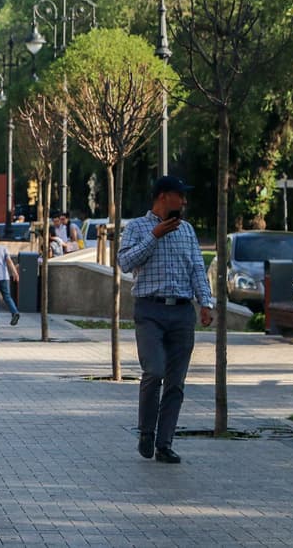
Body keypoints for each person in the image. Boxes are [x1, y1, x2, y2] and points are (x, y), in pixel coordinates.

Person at [118, 176, 214, 465]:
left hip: (182, 313)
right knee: (154, 371)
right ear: (162, 197)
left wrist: (205, 303)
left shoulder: (187, 230)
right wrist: (155, 236)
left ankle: (165, 443)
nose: (184, 201)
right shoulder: (136, 227)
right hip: (150, 311)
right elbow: (124, 263)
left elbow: (198, 267)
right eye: (179, 195)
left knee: (176, 382)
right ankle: (146, 431)